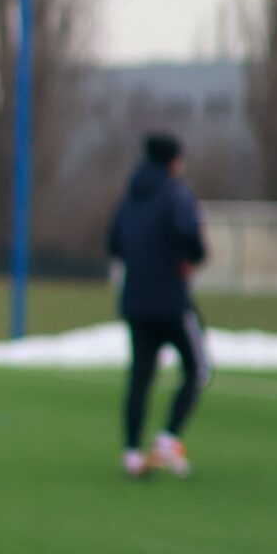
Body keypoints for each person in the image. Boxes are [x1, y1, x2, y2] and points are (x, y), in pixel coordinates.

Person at [106, 131, 210, 478]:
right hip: (171, 300)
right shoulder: (176, 194)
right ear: (174, 161)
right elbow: (191, 238)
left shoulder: (130, 196)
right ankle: (168, 440)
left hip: (135, 300)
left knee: (140, 375)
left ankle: (132, 453)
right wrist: (188, 257)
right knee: (197, 368)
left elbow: (114, 243)